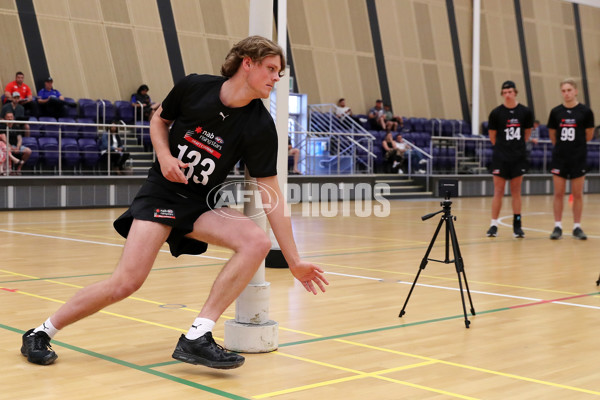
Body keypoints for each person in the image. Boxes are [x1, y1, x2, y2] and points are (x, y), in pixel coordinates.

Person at [21, 35, 328, 368]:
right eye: (270, 68)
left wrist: (294, 260)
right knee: (126, 282)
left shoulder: (260, 127)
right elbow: (159, 120)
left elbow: (272, 195)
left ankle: (198, 334)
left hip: (201, 203)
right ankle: (41, 331)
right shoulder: (195, 87)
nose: (275, 77)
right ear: (247, 63)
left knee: (256, 241)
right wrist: (165, 156)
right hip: (162, 193)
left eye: (278, 72)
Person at [547, 78, 595, 240]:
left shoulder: (585, 112)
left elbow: (589, 135)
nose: (566, 93)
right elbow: (553, 135)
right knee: (558, 193)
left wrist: (576, 147)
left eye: (569, 90)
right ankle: (557, 226)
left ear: (575, 91)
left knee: (577, 194)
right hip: (560, 158)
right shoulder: (556, 112)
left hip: (578, 157)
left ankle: (577, 227)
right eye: (563, 91)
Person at [486, 80, 534, 238]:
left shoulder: (525, 112)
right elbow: (492, 136)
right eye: (505, 92)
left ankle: (517, 225)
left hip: (518, 157)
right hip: (500, 157)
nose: (507, 95)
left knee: (516, 192)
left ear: (515, 93)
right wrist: (502, 148)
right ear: (502, 94)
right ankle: (493, 224)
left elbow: (527, 133)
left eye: (510, 92)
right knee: (498, 191)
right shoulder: (496, 113)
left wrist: (516, 147)